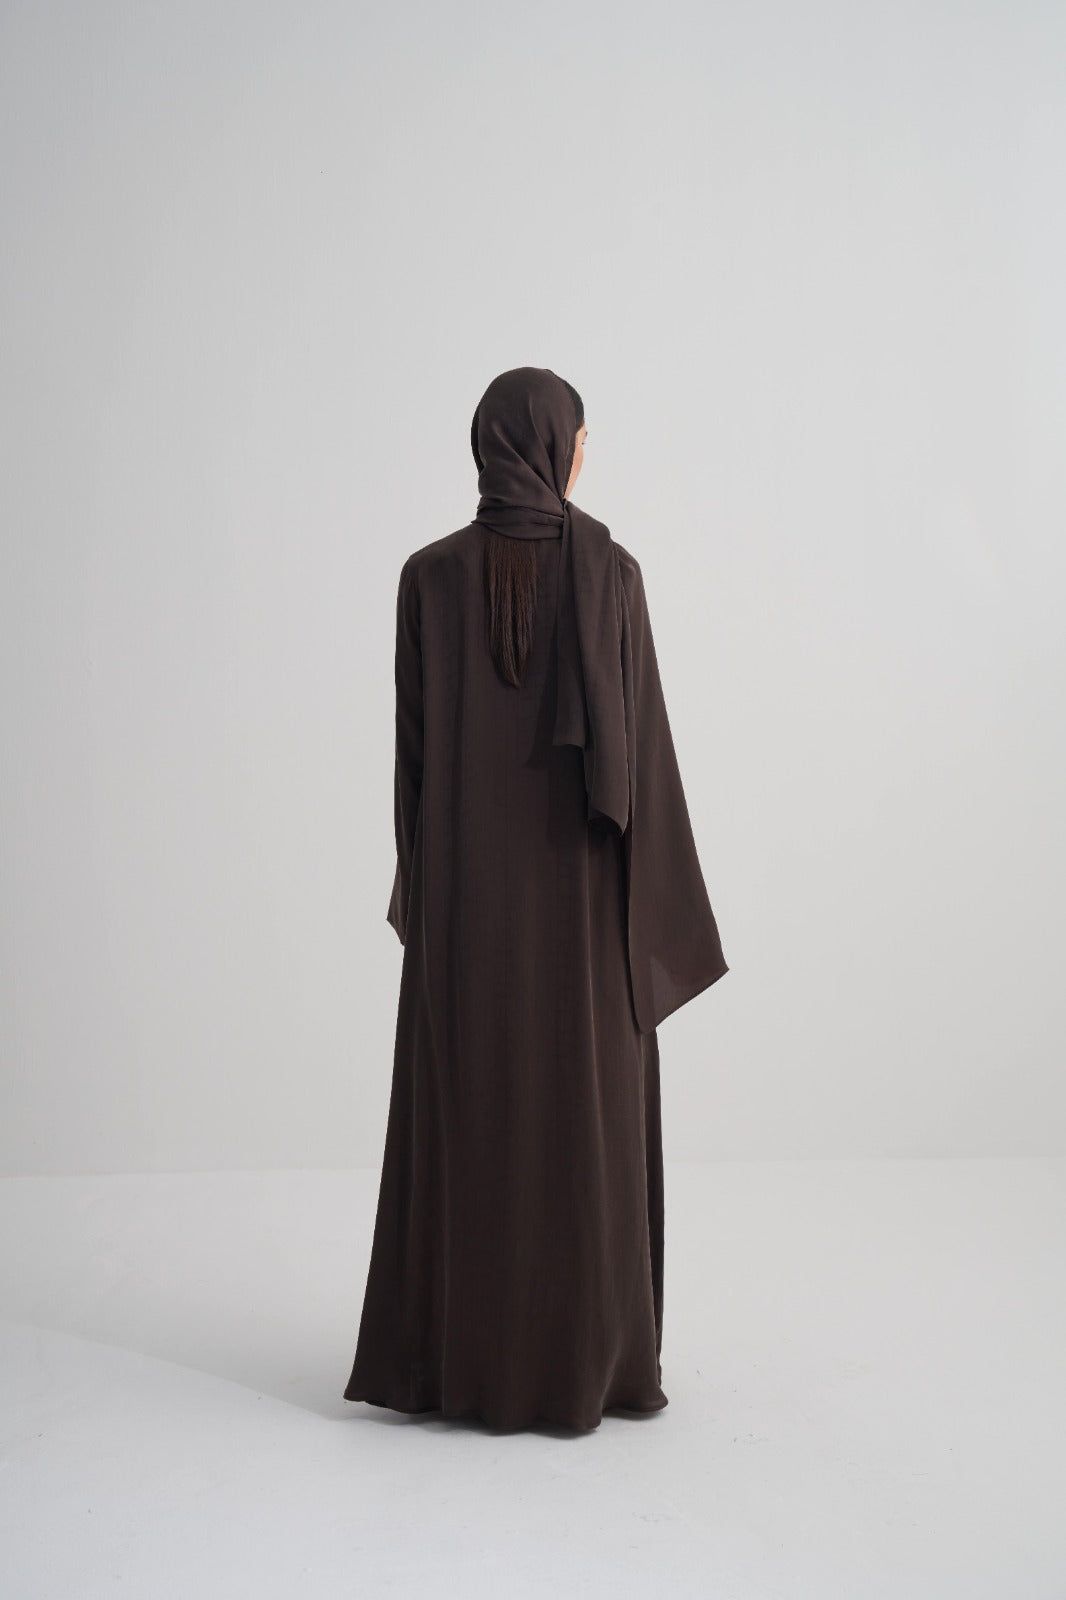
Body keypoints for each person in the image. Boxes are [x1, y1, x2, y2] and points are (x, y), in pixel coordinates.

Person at [342, 366, 728, 1432]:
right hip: (588, 916)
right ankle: (590, 1366)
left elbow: (413, 771)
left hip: (467, 913)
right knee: (583, 1130)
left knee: (469, 1121)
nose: (585, 456)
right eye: (582, 439)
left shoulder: (427, 579)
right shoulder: (612, 575)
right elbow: (641, 764)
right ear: (557, 447)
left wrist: (427, 908)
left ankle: (456, 1365)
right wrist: (658, 927)